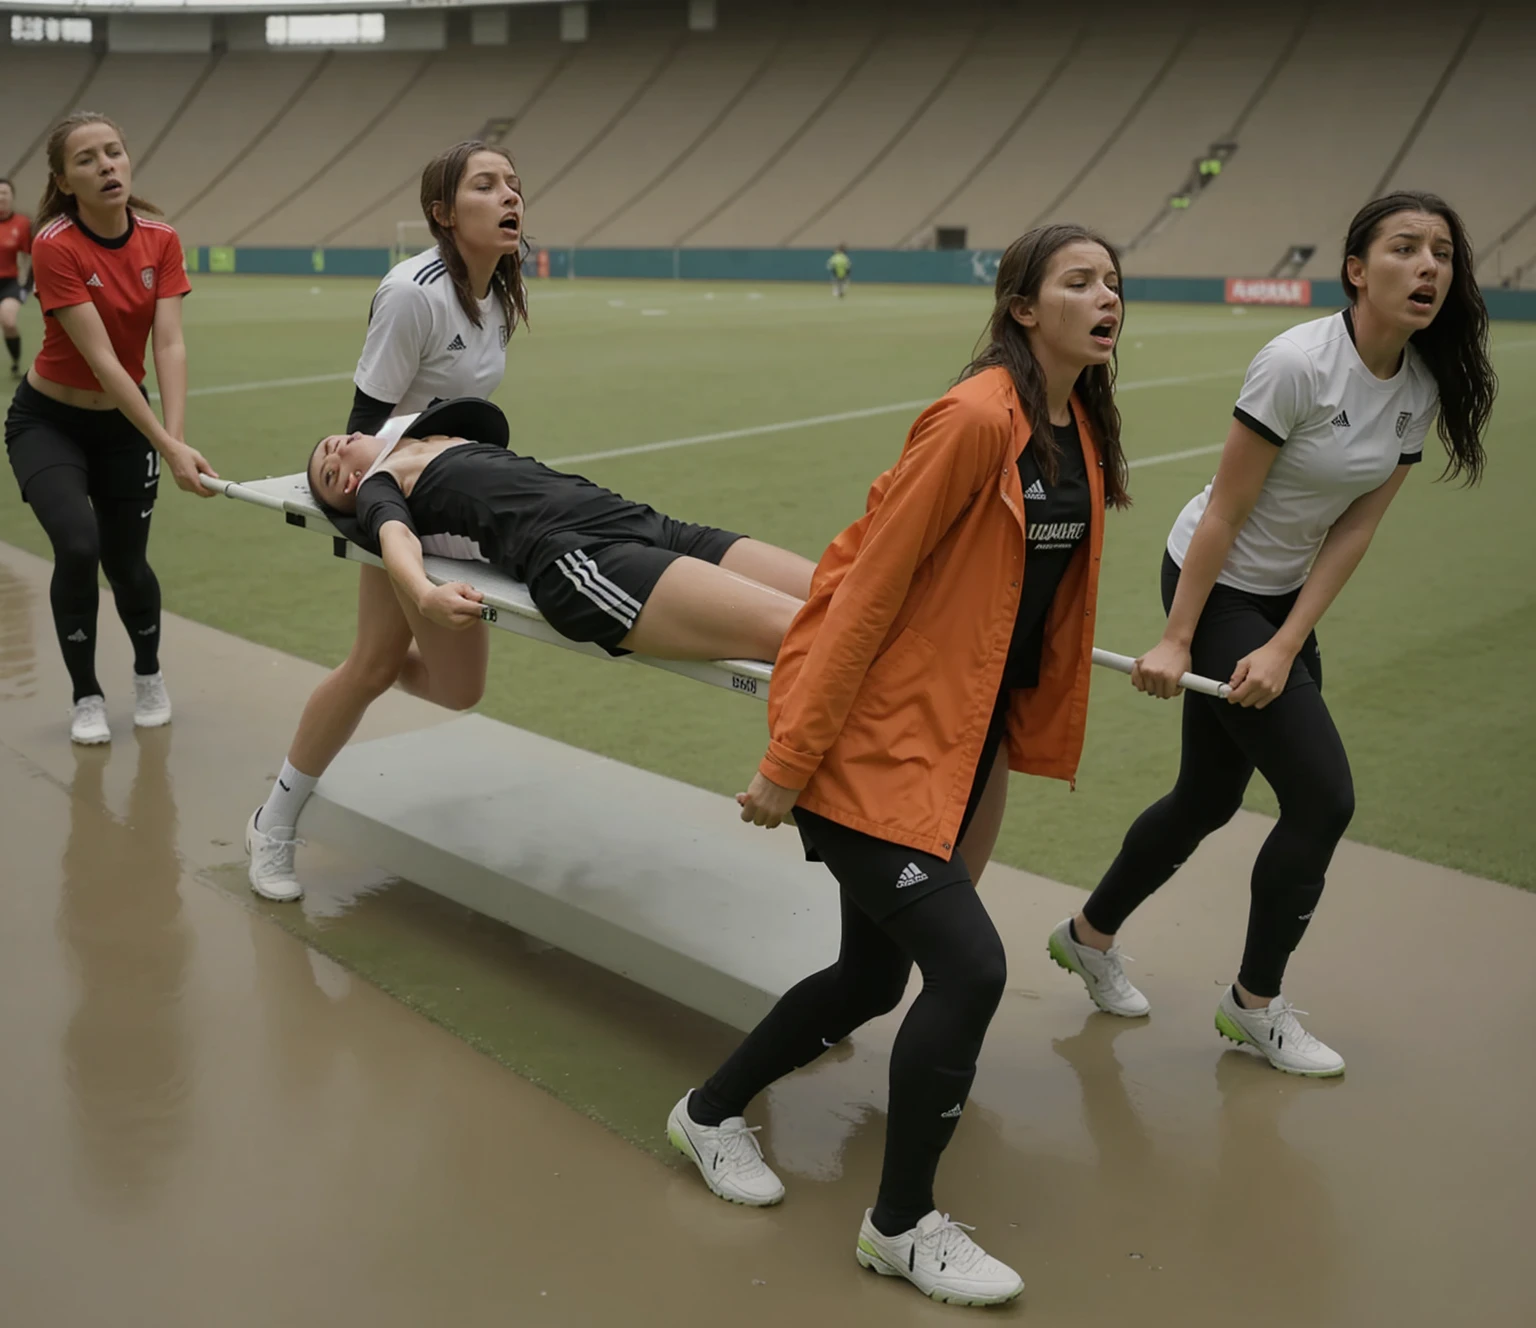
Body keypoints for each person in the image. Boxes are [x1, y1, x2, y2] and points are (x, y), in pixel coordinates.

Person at [667, 224, 1131, 1307]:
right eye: (1079, 280)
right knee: (968, 965)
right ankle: (901, 1222)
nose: (1106, 296)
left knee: (873, 975)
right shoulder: (977, 418)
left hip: (954, 746)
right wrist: (791, 759)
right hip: (872, 746)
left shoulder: (1079, 428)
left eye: (1114, 282)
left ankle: (708, 1109)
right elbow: (865, 588)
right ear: (1023, 305)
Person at [1049, 191, 1495, 1077]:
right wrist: (1178, 639)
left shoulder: (1418, 387)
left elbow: (1355, 529)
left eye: (1442, 252)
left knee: (1208, 798)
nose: (1430, 267)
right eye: (1405, 248)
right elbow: (1226, 508)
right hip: (1211, 584)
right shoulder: (1297, 363)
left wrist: (1288, 639)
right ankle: (1254, 1004)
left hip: (1275, 600)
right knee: (1323, 798)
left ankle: (1087, 935)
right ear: (1358, 271)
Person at [245, 140, 528, 902]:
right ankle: (274, 824)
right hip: (396, 502)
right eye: (486, 185)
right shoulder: (413, 292)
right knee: (371, 666)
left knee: (457, 689)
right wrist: (389, 530)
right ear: (442, 213)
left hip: (454, 506)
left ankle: (277, 813)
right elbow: (365, 428)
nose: (510, 197)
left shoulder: (499, 287)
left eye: (513, 184)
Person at [2, 112, 215, 746]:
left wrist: (172, 439)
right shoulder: (54, 242)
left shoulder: (161, 238)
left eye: (114, 152)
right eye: (88, 159)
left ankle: (147, 675)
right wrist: (167, 446)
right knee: (77, 545)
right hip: (49, 422)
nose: (106, 166)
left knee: (127, 564)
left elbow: (168, 345)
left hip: (125, 430)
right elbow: (101, 360)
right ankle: (86, 694)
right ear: (64, 179)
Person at [309, 396, 814, 661]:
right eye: (326, 474)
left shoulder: (431, 432)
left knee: (843, 592)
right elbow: (394, 536)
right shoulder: (381, 484)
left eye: (328, 444)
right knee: (805, 632)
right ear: (352, 486)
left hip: (642, 522)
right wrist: (422, 595)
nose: (330, 450)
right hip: (580, 559)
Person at [0, 178, 33, 378]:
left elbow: (31, 255)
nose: (1, 197)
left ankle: (15, 363)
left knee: (9, 321)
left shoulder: (22, 224)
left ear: (12, 197)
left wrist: (27, 284)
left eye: (5, 193)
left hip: (9, 283)